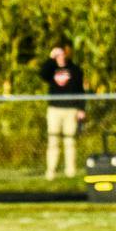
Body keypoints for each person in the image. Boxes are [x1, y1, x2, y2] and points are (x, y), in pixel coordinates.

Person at [39, 45, 87, 180]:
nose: (60, 57)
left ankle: (70, 171)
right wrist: (50, 59)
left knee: (70, 141)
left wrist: (81, 109)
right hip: (55, 109)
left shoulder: (75, 70)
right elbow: (42, 74)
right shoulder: (52, 69)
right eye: (57, 55)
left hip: (71, 110)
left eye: (62, 54)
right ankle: (51, 172)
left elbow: (80, 91)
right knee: (53, 141)